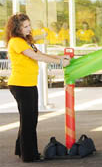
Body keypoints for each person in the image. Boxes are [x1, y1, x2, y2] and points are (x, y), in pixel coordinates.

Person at [6, 13, 70, 162]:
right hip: (21, 85)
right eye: (25, 26)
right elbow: (37, 57)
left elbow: (41, 53)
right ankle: (29, 155)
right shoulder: (16, 41)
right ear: (17, 28)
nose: (30, 29)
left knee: (28, 119)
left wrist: (60, 58)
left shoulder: (26, 41)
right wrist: (60, 64)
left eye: (29, 25)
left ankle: (20, 150)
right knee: (29, 121)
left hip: (28, 84)